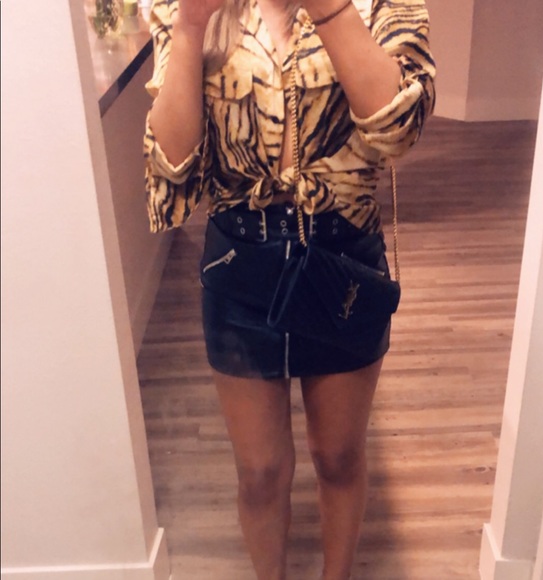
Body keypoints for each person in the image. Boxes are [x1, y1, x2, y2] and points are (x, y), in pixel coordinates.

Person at [144, 0, 435, 578]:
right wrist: (191, 25)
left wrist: (329, 9)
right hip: (239, 263)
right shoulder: (184, 7)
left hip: (342, 259)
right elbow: (173, 165)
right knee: (259, 473)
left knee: (339, 456)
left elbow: (399, 130)